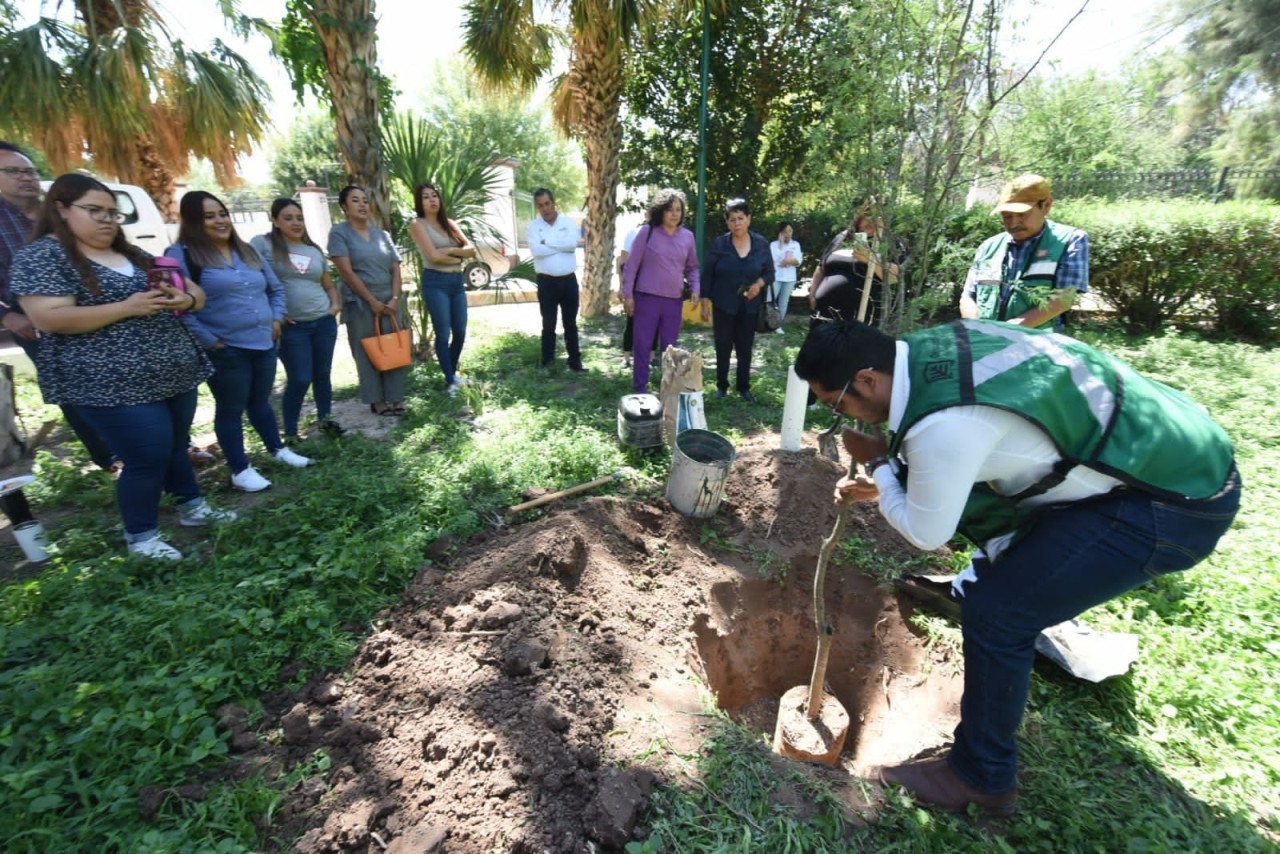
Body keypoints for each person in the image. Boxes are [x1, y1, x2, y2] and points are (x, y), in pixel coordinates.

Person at [795, 319, 1240, 816]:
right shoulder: (937, 348)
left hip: (1170, 504)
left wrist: (879, 463)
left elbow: (926, 531)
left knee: (998, 610)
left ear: (867, 379)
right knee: (1002, 583)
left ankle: (980, 777)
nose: (844, 416)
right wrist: (893, 478)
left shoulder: (944, 425)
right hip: (1177, 452)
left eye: (838, 404)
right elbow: (979, 445)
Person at [11, 174, 236, 560]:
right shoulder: (43, 256)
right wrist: (126, 308)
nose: (106, 220)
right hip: (108, 383)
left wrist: (184, 299)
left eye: (113, 213)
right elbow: (49, 318)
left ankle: (192, 507)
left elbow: (194, 293)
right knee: (146, 455)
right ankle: (142, 536)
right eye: (94, 210)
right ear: (61, 209)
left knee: (174, 447)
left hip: (173, 372)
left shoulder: (131, 253)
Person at [167, 191, 311, 493]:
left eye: (222, 213)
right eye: (209, 216)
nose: (220, 220)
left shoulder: (247, 251)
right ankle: (240, 468)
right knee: (230, 409)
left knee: (261, 402)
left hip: (264, 341)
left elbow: (276, 289)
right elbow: (178, 308)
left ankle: (278, 449)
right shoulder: (182, 255)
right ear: (193, 221)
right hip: (226, 348)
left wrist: (275, 318)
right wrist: (212, 341)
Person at [0, 142, 116, 471]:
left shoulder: (62, 211)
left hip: (100, 312)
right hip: (40, 324)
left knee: (122, 377)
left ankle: (160, 448)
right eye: (14, 171)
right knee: (77, 391)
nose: (26, 178)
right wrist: (7, 316)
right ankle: (111, 457)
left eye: (30, 171)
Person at [250, 198, 343, 442]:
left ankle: (325, 421)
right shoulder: (263, 244)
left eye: (299, 218)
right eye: (288, 218)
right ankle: (290, 431)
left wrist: (334, 307)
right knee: (300, 377)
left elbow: (328, 285)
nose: (295, 222)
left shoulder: (313, 250)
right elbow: (252, 280)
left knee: (322, 374)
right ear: (275, 221)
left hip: (323, 321)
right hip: (292, 328)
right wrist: (275, 312)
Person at [959, 173, 1088, 329]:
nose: (1014, 223)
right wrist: (977, 329)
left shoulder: (1070, 240)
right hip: (987, 341)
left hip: (1037, 345)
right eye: (1007, 216)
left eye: (1022, 215)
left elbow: (1064, 299)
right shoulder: (988, 246)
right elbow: (968, 296)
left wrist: (1009, 330)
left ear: (1046, 205)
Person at [329, 185, 409, 414]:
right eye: (355, 200)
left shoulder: (382, 235)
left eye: (365, 200)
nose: (362, 205)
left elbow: (396, 268)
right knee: (366, 350)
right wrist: (371, 300)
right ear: (344, 206)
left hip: (389, 299)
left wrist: (394, 297)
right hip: (361, 301)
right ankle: (377, 401)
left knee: (394, 346)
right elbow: (347, 272)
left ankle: (396, 397)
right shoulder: (339, 233)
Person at [620, 188, 701, 393]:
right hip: (646, 299)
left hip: (673, 302)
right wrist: (628, 295)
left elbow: (693, 266)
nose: (675, 214)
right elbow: (631, 266)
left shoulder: (687, 237)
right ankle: (640, 389)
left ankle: (668, 389)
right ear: (660, 211)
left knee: (669, 349)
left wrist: (695, 288)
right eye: (669, 209)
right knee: (642, 345)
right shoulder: (647, 233)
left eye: (678, 209)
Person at [408, 182, 476, 396]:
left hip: (456, 282)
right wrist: (457, 254)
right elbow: (433, 257)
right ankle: (450, 379)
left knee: (460, 331)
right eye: (426, 197)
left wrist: (447, 251)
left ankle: (451, 375)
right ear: (420, 202)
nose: (432, 200)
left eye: (434, 195)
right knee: (443, 332)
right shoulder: (417, 224)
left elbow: (471, 250)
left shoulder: (450, 224)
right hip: (435, 282)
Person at [703, 199, 774, 402]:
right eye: (732, 219)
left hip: (749, 306)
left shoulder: (761, 244)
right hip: (723, 304)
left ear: (749, 219)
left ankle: (744, 388)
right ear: (727, 222)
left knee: (745, 347)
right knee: (722, 346)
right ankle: (721, 386)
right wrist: (705, 302)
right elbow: (707, 274)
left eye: (741, 218)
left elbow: (770, 273)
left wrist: (758, 285)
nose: (737, 223)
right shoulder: (720, 244)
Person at [807, 207, 900, 329]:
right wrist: (813, 294)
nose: (872, 221)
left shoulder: (889, 242)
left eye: (878, 217)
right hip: (824, 315)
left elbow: (893, 277)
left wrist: (869, 259)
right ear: (859, 217)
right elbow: (821, 267)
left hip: (860, 318)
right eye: (868, 215)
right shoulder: (843, 237)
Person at [528, 188, 584, 371]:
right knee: (548, 323)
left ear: (554, 203)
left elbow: (571, 245)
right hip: (546, 283)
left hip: (568, 282)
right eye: (540, 205)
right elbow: (537, 251)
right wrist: (559, 245)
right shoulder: (533, 227)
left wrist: (547, 243)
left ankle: (575, 362)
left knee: (570, 323)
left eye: (547, 203)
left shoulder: (567, 222)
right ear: (537, 207)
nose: (545, 208)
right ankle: (548, 363)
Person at [769, 222, 802, 333]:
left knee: (783, 302)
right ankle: (767, 323)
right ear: (780, 233)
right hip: (776, 277)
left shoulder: (795, 244)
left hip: (790, 278)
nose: (788, 234)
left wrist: (787, 261)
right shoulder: (773, 244)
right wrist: (781, 245)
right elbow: (773, 258)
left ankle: (777, 325)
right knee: (770, 301)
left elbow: (798, 261)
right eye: (785, 231)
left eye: (790, 231)